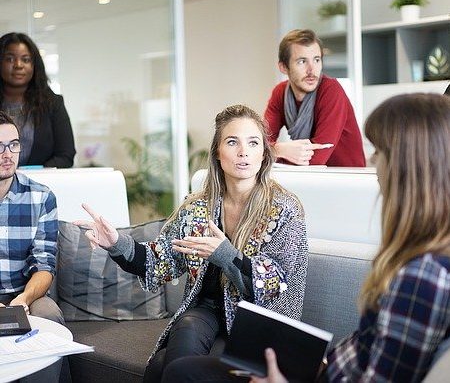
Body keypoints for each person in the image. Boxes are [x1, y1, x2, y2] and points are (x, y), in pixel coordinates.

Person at [75, 104, 308, 382]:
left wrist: (224, 254)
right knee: (185, 330)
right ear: (217, 154)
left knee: (163, 365)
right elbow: (158, 261)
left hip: (260, 321)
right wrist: (115, 243)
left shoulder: (285, 209)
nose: (243, 151)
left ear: (263, 154)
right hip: (207, 310)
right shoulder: (198, 207)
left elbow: (274, 284)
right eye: (232, 142)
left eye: (253, 143)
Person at [251, 93, 450, 383]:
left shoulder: (422, 278)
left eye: (379, 150)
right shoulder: (420, 263)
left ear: (408, 165)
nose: (371, 160)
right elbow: (369, 349)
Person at [0, 111, 65, 382]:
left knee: (49, 316)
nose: (8, 154)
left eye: (13, 144)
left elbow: (44, 263)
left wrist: (23, 301)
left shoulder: (41, 197)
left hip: (22, 295)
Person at [263, 29, 365, 167]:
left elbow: (317, 158)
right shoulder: (280, 93)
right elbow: (260, 144)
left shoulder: (331, 90)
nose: (312, 69)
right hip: (309, 178)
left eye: (316, 60)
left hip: (346, 178)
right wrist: (279, 149)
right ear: (283, 67)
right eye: (302, 61)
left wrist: (274, 152)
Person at [0, 32, 75, 168]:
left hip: (39, 185)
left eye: (26, 59)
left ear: (35, 65)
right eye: (10, 59)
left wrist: (32, 176)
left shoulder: (52, 104)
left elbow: (65, 155)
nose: (18, 65)